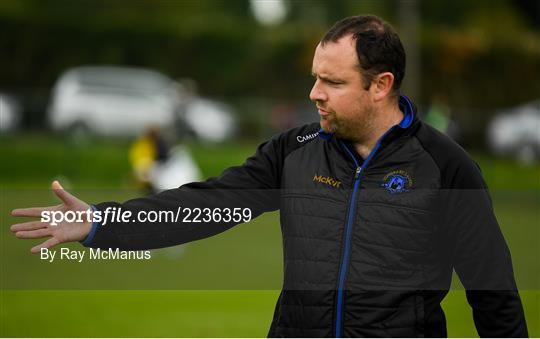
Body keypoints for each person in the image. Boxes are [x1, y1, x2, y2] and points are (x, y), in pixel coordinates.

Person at [10, 15, 527, 337]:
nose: (314, 93)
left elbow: (493, 290)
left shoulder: (447, 166)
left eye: (331, 81)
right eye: (313, 78)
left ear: (380, 85)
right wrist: (102, 224)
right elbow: (207, 205)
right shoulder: (293, 152)